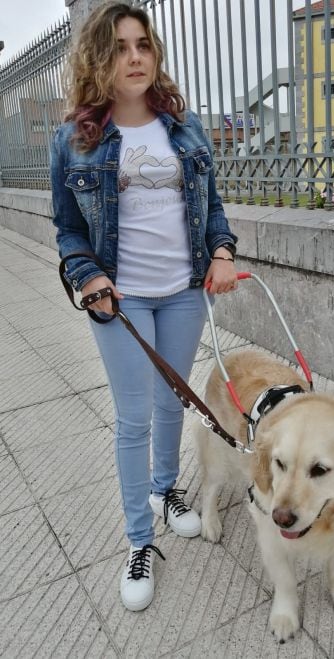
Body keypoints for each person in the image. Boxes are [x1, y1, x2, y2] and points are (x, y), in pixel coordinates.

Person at [51, 1, 237, 612]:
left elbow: (212, 208)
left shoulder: (183, 130)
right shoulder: (74, 141)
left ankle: (165, 490)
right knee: (133, 418)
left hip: (183, 290)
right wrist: (88, 277)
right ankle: (138, 539)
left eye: (143, 45)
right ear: (99, 60)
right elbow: (69, 230)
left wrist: (221, 252)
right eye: (121, 47)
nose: (134, 57)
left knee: (173, 401)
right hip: (120, 301)